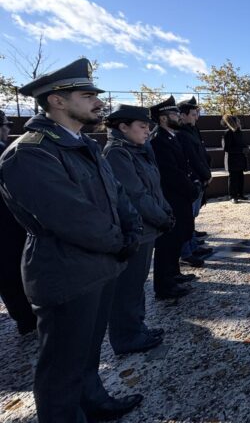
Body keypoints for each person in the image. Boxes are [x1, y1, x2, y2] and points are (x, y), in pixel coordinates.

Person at [0, 58, 144, 422]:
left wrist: (131, 232)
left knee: (87, 351)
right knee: (61, 369)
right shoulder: (29, 153)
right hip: (64, 273)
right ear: (57, 101)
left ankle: (94, 401)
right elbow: (72, 218)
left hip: (98, 266)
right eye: (87, 95)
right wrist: (121, 241)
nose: (98, 102)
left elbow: (118, 197)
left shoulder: (85, 145)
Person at [103, 104, 175, 354]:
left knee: (137, 282)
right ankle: (126, 337)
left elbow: (155, 187)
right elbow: (136, 194)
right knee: (128, 286)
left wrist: (165, 211)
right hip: (137, 230)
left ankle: (137, 327)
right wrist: (161, 218)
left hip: (148, 227)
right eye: (142, 127)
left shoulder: (136, 150)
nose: (147, 131)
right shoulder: (116, 154)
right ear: (123, 127)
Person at [150, 96, 201, 294]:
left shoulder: (171, 136)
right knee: (167, 243)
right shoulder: (158, 140)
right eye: (173, 114)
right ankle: (164, 285)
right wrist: (191, 188)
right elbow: (171, 172)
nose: (178, 116)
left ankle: (174, 273)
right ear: (163, 118)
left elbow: (184, 166)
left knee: (178, 237)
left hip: (180, 197)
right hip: (171, 197)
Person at [0, 110, 37, 336]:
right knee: (13, 271)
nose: (8, 128)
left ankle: (23, 317)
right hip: (10, 225)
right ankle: (27, 319)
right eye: (6, 123)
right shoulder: (6, 153)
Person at [176, 96, 213, 262]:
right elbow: (192, 158)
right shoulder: (182, 134)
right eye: (192, 114)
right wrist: (205, 175)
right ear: (182, 116)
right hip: (192, 180)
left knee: (191, 217)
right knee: (187, 218)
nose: (196, 116)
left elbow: (200, 154)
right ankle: (188, 251)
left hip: (199, 178)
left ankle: (192, 246)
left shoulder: (192, 130)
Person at [222, 115, 249, 202]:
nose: (239, 123)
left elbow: (243, 143)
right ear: (233, 123)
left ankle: (240, 194)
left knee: (241, 177)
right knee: (233, 178)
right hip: (232, 160)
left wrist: (246, 148)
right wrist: (241, 150)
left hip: (240, 159)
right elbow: (226, 148)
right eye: (237, 121)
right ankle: (232, 196)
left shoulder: (239, 132)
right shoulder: (227, 133)